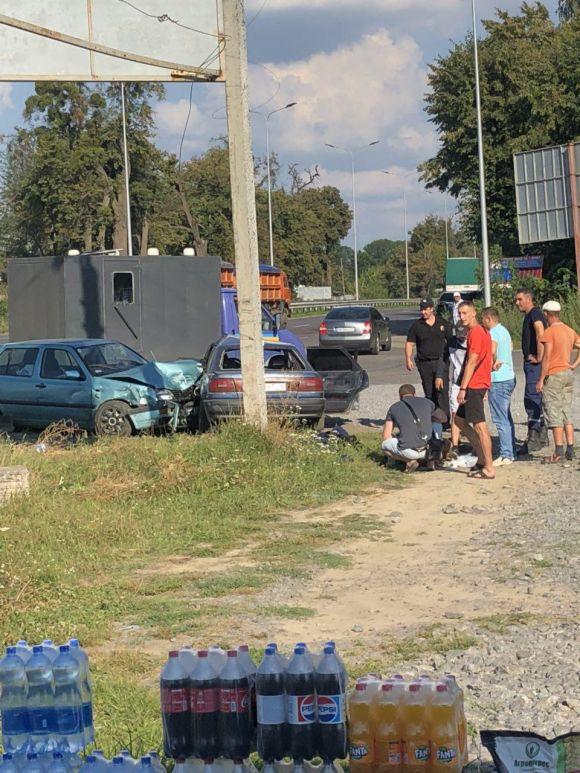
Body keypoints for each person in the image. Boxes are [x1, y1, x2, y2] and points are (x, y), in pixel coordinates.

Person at [536, 300, 580, 462]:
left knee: (554, 412)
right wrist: (574, 364)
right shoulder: (569, 330)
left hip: (554, 374)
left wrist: (541, 379)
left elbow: (547, 357)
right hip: (567, 373)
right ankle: (570, 449)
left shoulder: (549, 332)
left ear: (546, 314)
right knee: (566, 411)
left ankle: (558, 452)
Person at [455, 301, 494, 479]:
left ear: (473, 313)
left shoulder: (477, 332)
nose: (461, 317)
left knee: (479, 426)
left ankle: (489, 467)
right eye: (459, 313)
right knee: (459, 420)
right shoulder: (480, 332)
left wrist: (463, 388)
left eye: (465, 313)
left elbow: (472, 360)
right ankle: (481, 457)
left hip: (475, 384)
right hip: (478, 383)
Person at [405, 298, 452, 426]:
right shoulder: (417, 326)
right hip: (424, 363)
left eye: (425, 309)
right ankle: (434, 420)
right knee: (429, 392)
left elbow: (451, 341)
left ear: (432, 309)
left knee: (442, 391)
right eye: (421, 309)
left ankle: (445, 421)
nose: (423, 312)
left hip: (441, 362)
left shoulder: (442, 323)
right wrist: (408, 358)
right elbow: (409, 343)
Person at [382, 384, 448, 473]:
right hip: (430, 449)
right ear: (414, 394)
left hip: (409, 452)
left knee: (385, 445)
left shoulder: (394, 408)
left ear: (400, 396)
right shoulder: (427, 402)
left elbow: (386, 435)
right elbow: (444, 418)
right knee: (437, 423)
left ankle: (409, 461)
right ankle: (431, 462)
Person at [482, 307, 517, 466]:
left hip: (498, 379)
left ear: (489, 319)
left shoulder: (493, 333)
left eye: (483, 319)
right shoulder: (505, 331)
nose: (482, 323)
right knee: (506, 416)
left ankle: (506, 454)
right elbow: (510, 347)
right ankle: (511, 450)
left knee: (500, 419)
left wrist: (489, 365)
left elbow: (491, 352)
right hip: (509, 376)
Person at [515, 288, 548, 454]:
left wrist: (539, 357)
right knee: (536, 397)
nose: (517, 303)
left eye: (519, 299)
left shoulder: (534, 313)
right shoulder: (530, 315)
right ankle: (542, 435)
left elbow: (540, 332)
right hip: (531, 363)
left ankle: (534, 436)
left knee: (531, 397)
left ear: (528, 299)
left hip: (534, 364)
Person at [448, 323, 468, 456]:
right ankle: (455, 445)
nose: (461, 338)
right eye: (459, 335)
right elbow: (444, 359)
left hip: (471, 383)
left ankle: (476, 445)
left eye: (464, 335)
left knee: (473, 416)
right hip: (456, 383)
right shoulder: (451, 342)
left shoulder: (473, 343)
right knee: (455, 414)